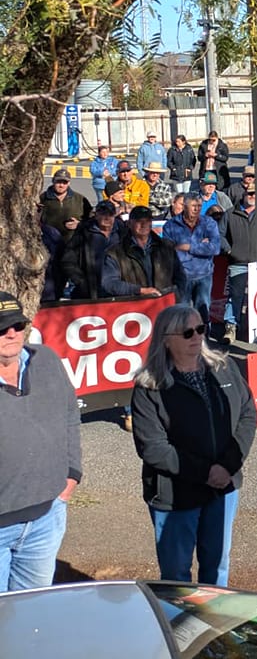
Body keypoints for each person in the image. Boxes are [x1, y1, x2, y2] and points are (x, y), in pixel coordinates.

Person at [130, 304, 256, 585]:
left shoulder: (224, 368)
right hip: (176, 496)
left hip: (223, 489)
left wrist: (227, 465)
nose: (197, 336)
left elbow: (247, 414)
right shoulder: (149, 386)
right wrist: (206, 472)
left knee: (217, 567)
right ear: (166, 338)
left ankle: (213, 624)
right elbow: (153, 448)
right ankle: (178, 627)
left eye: (201, 328)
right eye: (188, 332)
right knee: (176, 578)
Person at [0, 292, 81, 591]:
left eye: (17, 325)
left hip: (46, 519)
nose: (11, 333)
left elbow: (71, 411)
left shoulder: (46, 360)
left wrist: (72, 474)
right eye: (2, 328)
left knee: (32, 612)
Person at [162, 196, 221, 335]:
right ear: (184, 206)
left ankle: (205, 343)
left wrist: (189, 247)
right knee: (182, 313)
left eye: (199, 206)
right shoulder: (171, 225)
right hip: (182, 275)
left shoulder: (208, 223)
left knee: (203, 311)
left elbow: (215, 248)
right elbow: (168, 251)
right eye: (193, 206)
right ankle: (184, 342)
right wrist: (203, 245)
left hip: (204, 274)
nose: (197, 209)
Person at [103, 206, 185, 298]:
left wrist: (178, 297)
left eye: (147, 221)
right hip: (134, 308)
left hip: (165, 304)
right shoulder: (115, 253)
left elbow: (180, 277)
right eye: (139, 221)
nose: (144, 225)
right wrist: (140, 290)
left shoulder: (167, 247)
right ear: (129, 223)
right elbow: (109, 283)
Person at [61, 200, 124, 299]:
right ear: (96, 215)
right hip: (91, 290)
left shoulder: (123, 232)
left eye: (110, 214)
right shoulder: (84, 232)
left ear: (115, 215)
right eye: (103, 214)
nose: (107, 217)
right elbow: (68, 260)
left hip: (119, 288)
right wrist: (80, 281)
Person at [219, 187, 256, 342]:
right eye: (250, 193)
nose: (252, 196)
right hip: (237, 261)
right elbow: (219, 234)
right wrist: (229, 250)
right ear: (244, 195)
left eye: (255, 194)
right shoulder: (229, 213)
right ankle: (231, 326)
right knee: (235, 296)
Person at [40, 168, 91, 241]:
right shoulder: (42, 198)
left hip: (72, 243)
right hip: (48, 241)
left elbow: (92, 220)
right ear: (53, 181)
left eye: (64, 182)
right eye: (58, 182)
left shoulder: (80, 199)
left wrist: (80, 224)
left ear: (69, 183)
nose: (61, 185)